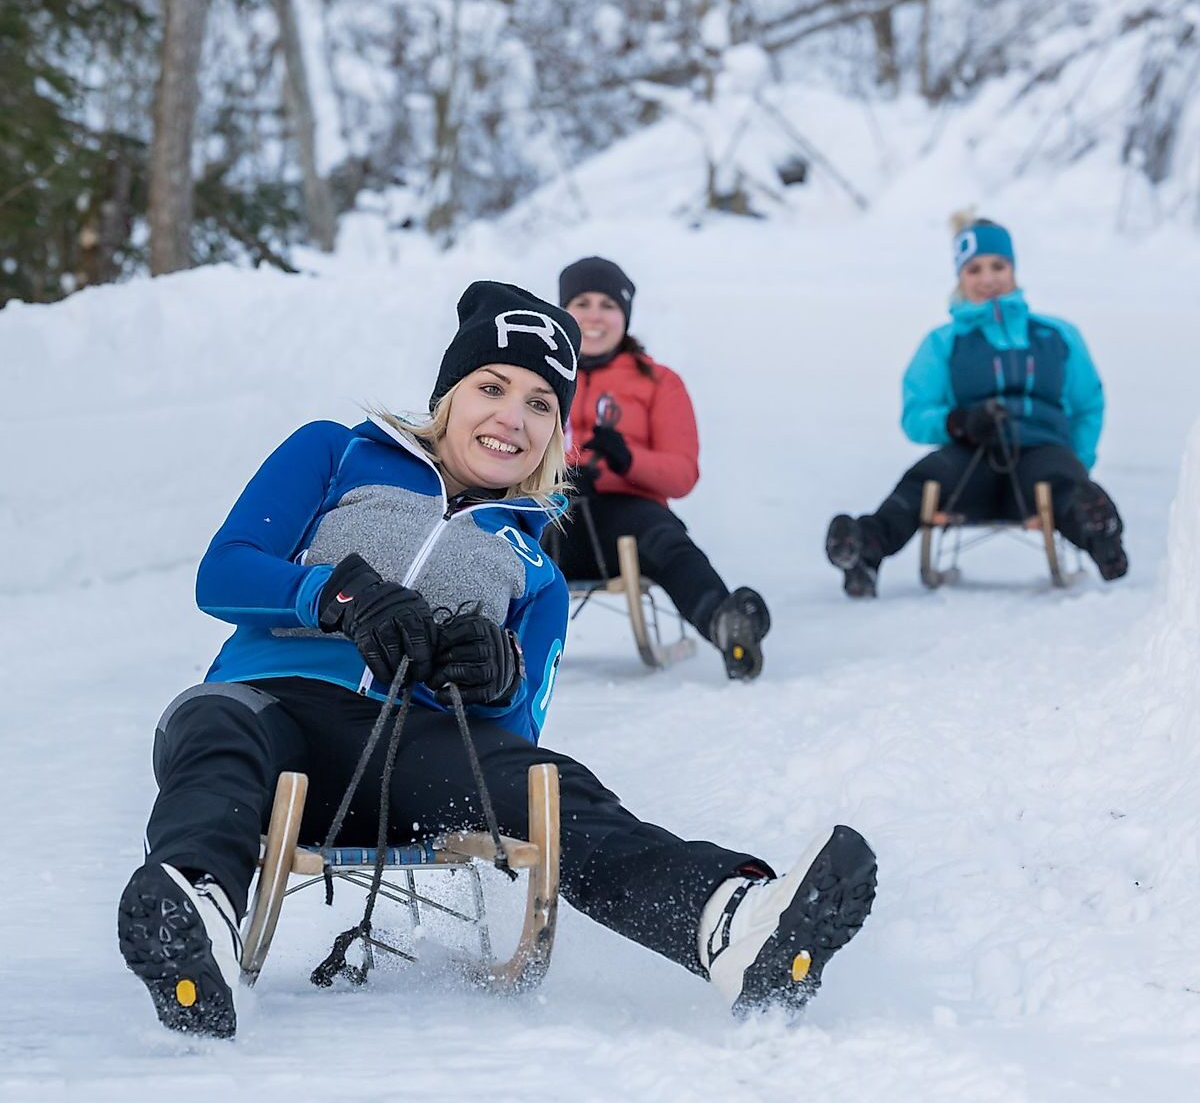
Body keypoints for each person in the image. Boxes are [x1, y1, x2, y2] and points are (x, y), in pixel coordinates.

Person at [117, 281, 876, 1038]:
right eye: (492, 387)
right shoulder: (335, 450)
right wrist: (335, 596)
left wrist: (495, 680)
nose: (513, 417)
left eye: (542, 404)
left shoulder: (536, 569)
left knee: (550, 785)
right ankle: (196, 917)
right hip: (265, 707)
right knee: (215, 727)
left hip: (402, 760)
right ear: (450, 394)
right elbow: (223, 572)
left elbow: (515, 738)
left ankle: (731, 924)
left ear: (556, 433)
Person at [825, 219, 1128, 597]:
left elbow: (1088, 404)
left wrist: (1077, 461)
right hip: (973, 459)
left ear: (1013, 269)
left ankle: (1099, 535)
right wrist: (957, 422)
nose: (988, 279)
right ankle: (866, 546)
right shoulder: (944, 342)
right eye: (974, 269)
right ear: (960, 276)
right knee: (923, 480)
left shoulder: (1057, 335)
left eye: (998, 266)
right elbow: (915, 414)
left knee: (1063, 485)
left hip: (1041, 453)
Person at [547, 255, 771, 679]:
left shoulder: (658, 381)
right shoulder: (539, 376)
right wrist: (558, 475)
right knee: (494, 537)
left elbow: (682, 473)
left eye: (608, 305)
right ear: (563, 311)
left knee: (665, 540)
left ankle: (726, 623)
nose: (594, 315)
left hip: (626, 521)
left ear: (625, 316)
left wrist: (626, 460)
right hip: (550, 517)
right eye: (582, 302)